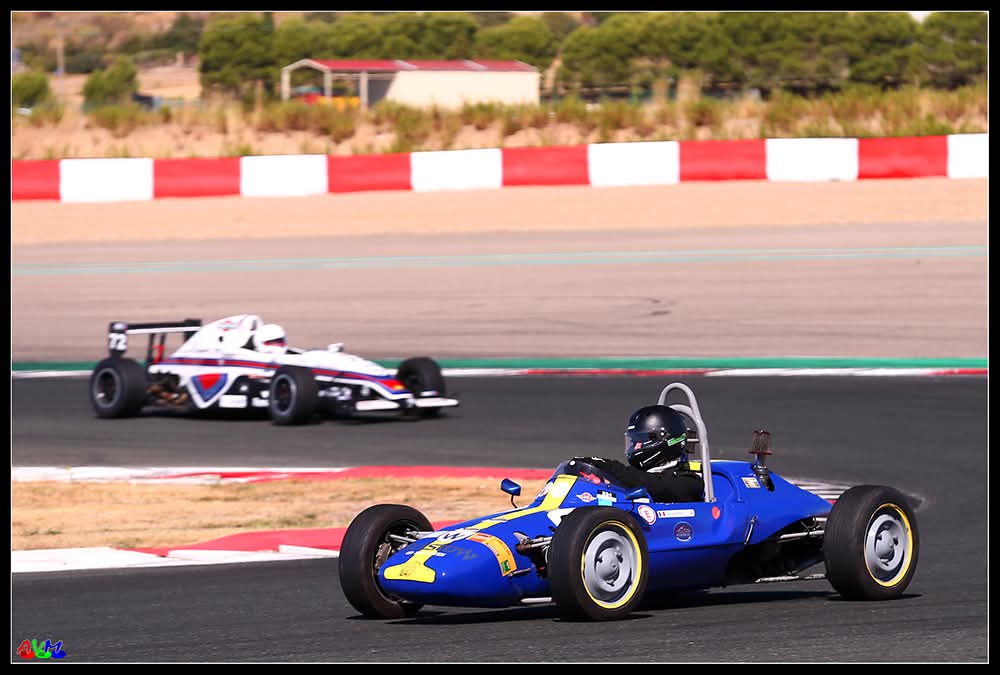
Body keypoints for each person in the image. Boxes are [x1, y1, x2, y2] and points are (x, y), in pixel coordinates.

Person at [577, 405, 704, 503]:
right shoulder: (635, 476)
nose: (636, 447)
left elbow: (654, 485)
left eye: (642, 441)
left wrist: (608, 467)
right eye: (634, 441)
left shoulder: (689, 483)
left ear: (666, 441)